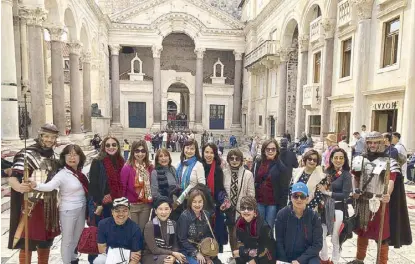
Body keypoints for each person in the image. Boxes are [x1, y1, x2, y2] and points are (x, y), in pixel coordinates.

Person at [348, 131, 412, 264]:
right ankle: (359, 259)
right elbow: (355, 177)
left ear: (381, 143)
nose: (372, 145)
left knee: (381, 235)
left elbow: (391, 180)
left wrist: (387, 193)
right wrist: (355, 190)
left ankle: (381, 262)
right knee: (362, 232)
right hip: (362, 201)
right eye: (369, 142)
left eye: (375, 142)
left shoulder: (389, 161)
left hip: (379, 202)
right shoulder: (360, 159)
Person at [8, 124, 61, 264]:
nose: (50, 140)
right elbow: (12, 177)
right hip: (32, 204)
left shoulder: (55, 156)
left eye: (53, 137)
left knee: (46, 241)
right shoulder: (27, 154)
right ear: (41, 136)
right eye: (47, 136)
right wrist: (20, 187)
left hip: (50, 204)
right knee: (28, 240)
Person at [30, 144, 87, 264]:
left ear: (80, 157)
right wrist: (36, 185)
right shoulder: (62, 174)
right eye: (69, 154)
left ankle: (73, 259)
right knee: (67, 239)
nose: (72, 157)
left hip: (82, 208)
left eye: (75, 154)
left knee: (77, 238)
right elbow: (50, 186)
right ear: (64, 157)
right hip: (68, 210)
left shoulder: (81, 173)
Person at [275, 182, 323, 264]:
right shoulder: (282, 214)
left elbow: (317, 244)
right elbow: (279, 241)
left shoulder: (314, 217)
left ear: (307, 199)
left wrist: (300, 260)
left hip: (308, 257)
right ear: (291, 198)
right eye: (295, 196)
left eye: (302, 196)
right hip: (287, 256)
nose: (299, 199)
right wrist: (285, 261)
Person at [319, 148, 352, 264]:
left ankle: (335, 260)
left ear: (345, 160)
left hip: (338, 209)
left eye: (341, 158)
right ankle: (324, 259)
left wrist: (328, 193)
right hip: (324, 208)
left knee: (335, 238)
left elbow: (345, 195)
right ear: (331, 159)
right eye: (336, 157)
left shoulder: (346, 175)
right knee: (321, 235)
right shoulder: (326, 172)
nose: (338, 160)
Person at [177, 189, 222, 264]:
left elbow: (208, 235)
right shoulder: (184, 216)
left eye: (200, 201)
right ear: (190, 203)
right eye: (194, 202)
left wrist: (207, 256)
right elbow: (182, 240)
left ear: (203, 202)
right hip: (187, 250)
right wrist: (196, 253)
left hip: (203, 248)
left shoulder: (206, 214)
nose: (197, 205)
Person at [223, 149, 255, 252]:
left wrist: (247, 209)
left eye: (237, 158)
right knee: (232, 236)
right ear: (228, 160)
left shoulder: (248, 174)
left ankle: (242, 258)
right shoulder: (224, 173)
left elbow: (251, 194)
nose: (234, 160)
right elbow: (222, 191)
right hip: (229, 211)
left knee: (241, 236)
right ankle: (235, 256)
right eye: (232, 158)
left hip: (242, 211)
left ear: (241, 160)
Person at [94, 197, 143, 264]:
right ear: (112, 212)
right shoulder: (103, 224)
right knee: (98, 261)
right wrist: (127, 254)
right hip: (109, 256)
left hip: (129, 260)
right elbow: (101, 249)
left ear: (129, 211)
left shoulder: (135, 228)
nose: (121, 214)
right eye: (117, 211)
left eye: (124, 210)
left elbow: (136, 256)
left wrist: (127, 256)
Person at [252, 139, 288, 229]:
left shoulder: (281, 166)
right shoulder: (258, 163)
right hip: (259, 201)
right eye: (268, 149)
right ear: (264, 150)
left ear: (277, 151)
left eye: (273, 149)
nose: (270, 151)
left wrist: (282, 208)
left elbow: (284, 189)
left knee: (268, 229)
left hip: (272, 203)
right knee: (258, 228)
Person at [89, 136, 125, 221]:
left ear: (118, 147)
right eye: (108, 145)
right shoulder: (97, 161)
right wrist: (99, 204)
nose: (111, 147)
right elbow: (93, 185)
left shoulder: (121, 161)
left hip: (118, 202)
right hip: (103, 204)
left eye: (114, 145)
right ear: (104, 147)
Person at [120, 140, 154, 230]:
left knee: (142, 230)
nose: (140, 154)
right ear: (133, 152)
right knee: (132, 230)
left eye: (143, 151)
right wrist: (123, 205)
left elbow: (152, 185)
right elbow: (122, 187)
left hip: (146, 205)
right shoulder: (127, 167)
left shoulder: (150, 167)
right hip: (132, 205)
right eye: (137, 151)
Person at [142, 196, 186, 264]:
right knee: (167, 261)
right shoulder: (150, 226)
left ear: (170, 210)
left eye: (166, 209)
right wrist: (172, 253)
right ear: (155, 211)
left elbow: (175, 245)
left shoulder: (173, 224)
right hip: (151, 256)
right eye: (160, 209)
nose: (163, 212)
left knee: (183, 260)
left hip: (168, 254)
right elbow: (154, 250)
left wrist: (174, 256)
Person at [202, 143, 228, 252]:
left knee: (214, 234)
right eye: (206, 152)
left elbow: (220, 188)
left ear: (215, 154)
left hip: (214, 206)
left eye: (211, 152)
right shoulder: (199, 166)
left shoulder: (217, 169)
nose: (208, 155)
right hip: (200, 204)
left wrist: (221, 202)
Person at [233, 196, 275, 264]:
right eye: (243, 208)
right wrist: (248, 256)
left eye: (249, 208)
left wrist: (252, 259)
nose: (246, 211)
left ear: (255, 211)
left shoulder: (263, 226)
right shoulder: (239, 223)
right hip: (248, 254)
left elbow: (266, 248)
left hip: (264, 257)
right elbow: (239, 243)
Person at [175, 139, 205, 208]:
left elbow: (202, 185)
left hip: (192, 201)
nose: (189, 151)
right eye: (187, 148)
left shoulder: (198, 165)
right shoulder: (179, 164)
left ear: (195, 151)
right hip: (177, 198)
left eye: (192, 149)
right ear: (183, 149)